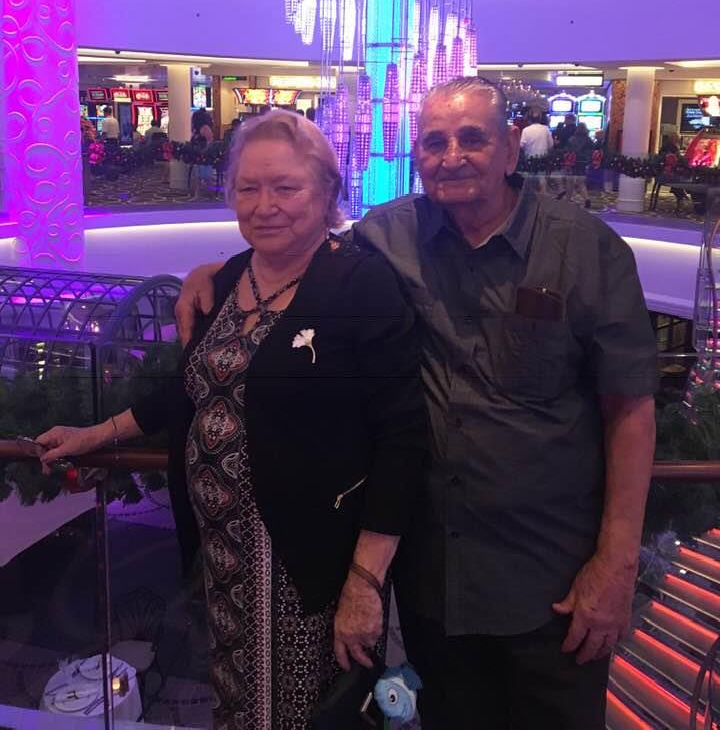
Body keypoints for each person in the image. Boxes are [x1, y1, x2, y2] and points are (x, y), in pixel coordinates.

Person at [177, 79, 658, 730]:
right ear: (417, 154)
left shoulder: (586, 249)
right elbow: (299, 238)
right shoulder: (388, 236)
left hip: (554, 585)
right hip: (435, 586)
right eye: (434, 142)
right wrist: (215, 273)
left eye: (473, 138)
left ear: (511, 149)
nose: (452, 155)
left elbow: (629, 410)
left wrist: (616, 563)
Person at [36, 110, 426, 730]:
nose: (265, 205)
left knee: (308, 711)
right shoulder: (225, 280)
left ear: (327, 194)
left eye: (286, 187)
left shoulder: (362, 288)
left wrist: (365, 581)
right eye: (248, 188)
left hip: (311, 566)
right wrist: (96, 435)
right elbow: (187, 392)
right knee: (238, 703)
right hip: (223, 560)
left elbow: (403, 440)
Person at [567, 122, 594, 207]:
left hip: (573, 162)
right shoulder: (588, 139)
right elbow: (591, 152)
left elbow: (568, 151)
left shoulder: (571, 139)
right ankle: (587, 198)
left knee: (570, 181)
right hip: (583, 162)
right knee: (581, 182)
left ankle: (568, 199)